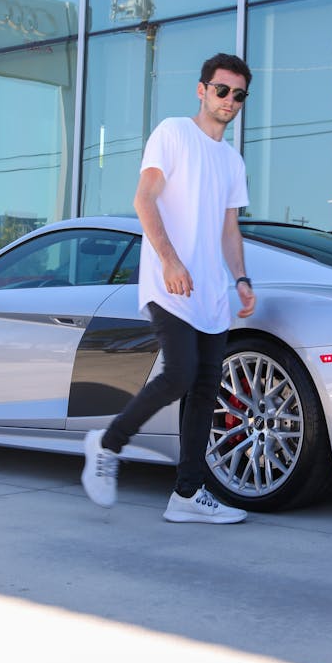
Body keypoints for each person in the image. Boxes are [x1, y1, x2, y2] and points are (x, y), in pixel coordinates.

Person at [81, 52, 255, 524]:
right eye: (222, 90)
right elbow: (143, 199)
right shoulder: (174, 133)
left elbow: (229, 230)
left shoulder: (232, 161)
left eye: (239, 94)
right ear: (202, 90)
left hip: (212, 293)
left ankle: (187, 494)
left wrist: (240, 278)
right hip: (170, 282)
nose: (230, 101)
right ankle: (108, 443)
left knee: (204, 389)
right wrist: (171, 260)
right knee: (179, 375)